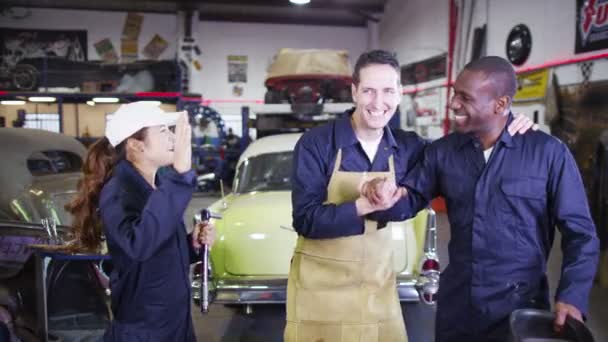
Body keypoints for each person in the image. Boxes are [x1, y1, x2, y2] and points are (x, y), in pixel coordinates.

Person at [286, 50, 534, 342]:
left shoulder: (410, 147)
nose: (379, 103)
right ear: (354, 92)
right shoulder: (317, 144)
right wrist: (364, 204)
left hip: (376, 291)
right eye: (368, 91)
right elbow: (305, 219)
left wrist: (512, 122)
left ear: (400, 93)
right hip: (321, 294)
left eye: (388, 91)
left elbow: (468, 143)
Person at [362, 56, 600, 342]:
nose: (453, 104)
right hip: (458, 308)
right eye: (454, 94)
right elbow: (410, 199)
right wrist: (383, 198)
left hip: (520, 308)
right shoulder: (444, 152)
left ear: (500, 104)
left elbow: (582, 235)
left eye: (465, 98)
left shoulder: (548, 154)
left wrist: (572, 296)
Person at [66, 101, 215, 342]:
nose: (172, 137)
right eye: (163, 130)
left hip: (174, 324)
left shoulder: (154, 186)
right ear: (136, 145)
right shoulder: (118, 192)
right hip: (144, 332)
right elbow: (137, 246)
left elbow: (156, 253)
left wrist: (191, 245)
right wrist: (180, 178)